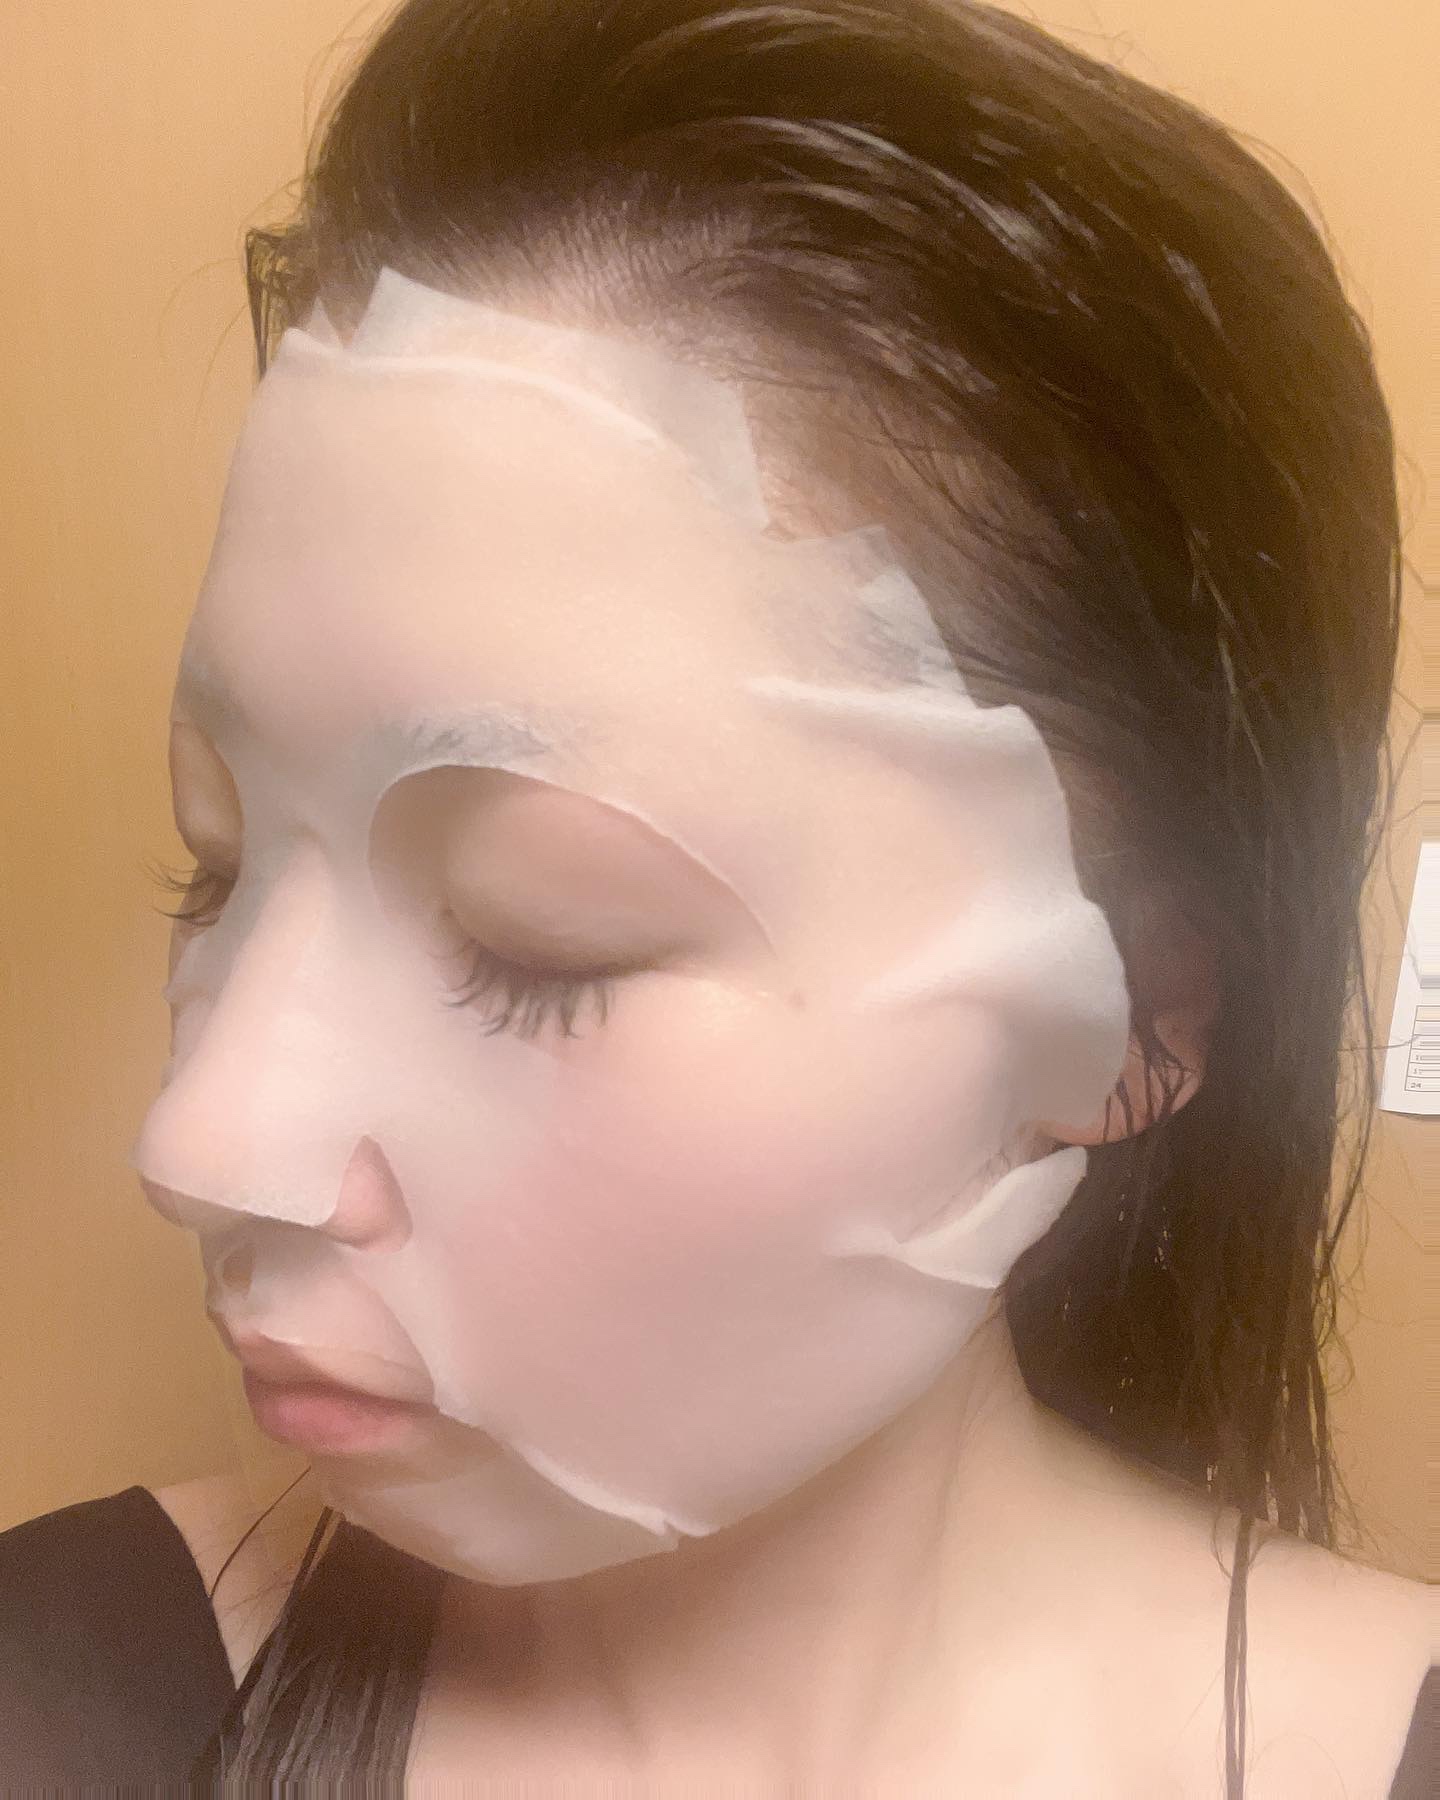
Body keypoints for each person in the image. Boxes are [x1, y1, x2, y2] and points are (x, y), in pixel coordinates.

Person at [1, 1, 1432, 1791]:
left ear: (1135, 1013)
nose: (202, 1141)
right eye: (217, 868)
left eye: (538, 943)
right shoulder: (58, 1698)